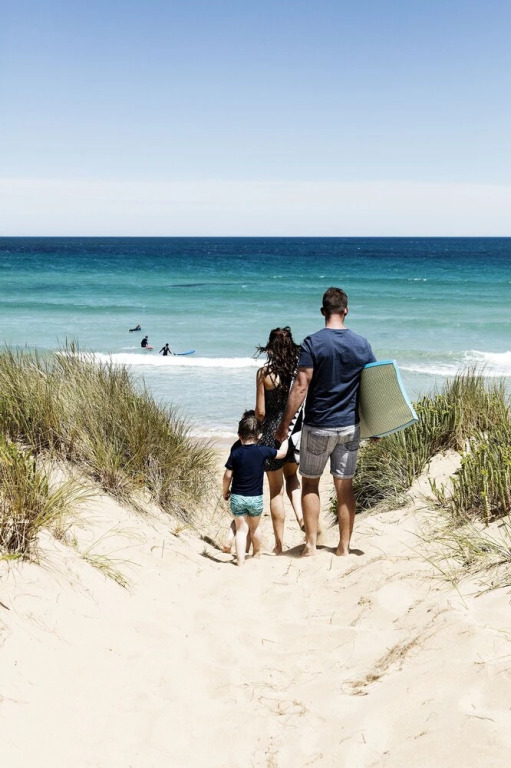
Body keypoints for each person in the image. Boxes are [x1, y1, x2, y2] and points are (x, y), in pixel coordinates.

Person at [275, 287, 376, 558]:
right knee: (345, 487)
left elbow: (300, 386)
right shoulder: (362, 344)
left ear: (323, 311)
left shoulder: (313, 343)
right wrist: (376, 425)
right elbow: (374, 384)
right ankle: (343, 546)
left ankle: (310, 545)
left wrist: (284, 426)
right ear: (346, 310)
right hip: (349, 426)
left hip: (318, 425)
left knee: (310, 483)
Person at [255, 327, 304, 554]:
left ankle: (279, 545)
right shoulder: (298, 373)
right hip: (293, 432)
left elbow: (261, 412)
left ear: (270, 348)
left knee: (276, 491)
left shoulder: (264, 373)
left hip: (271, 435)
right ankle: (302, 518)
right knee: (293, 477)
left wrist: (258, 427)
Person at [223, 411, 289, 567]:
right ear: (259, 436)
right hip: (255, 498)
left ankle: (240, 561)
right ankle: (257, 553)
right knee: (255, 528)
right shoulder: (262, 451)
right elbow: (282, 454)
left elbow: (227, 475)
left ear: (239, 436)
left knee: (241, 530)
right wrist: (285, 440)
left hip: (238, 497)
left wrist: (225, 491)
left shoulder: (235, 453)